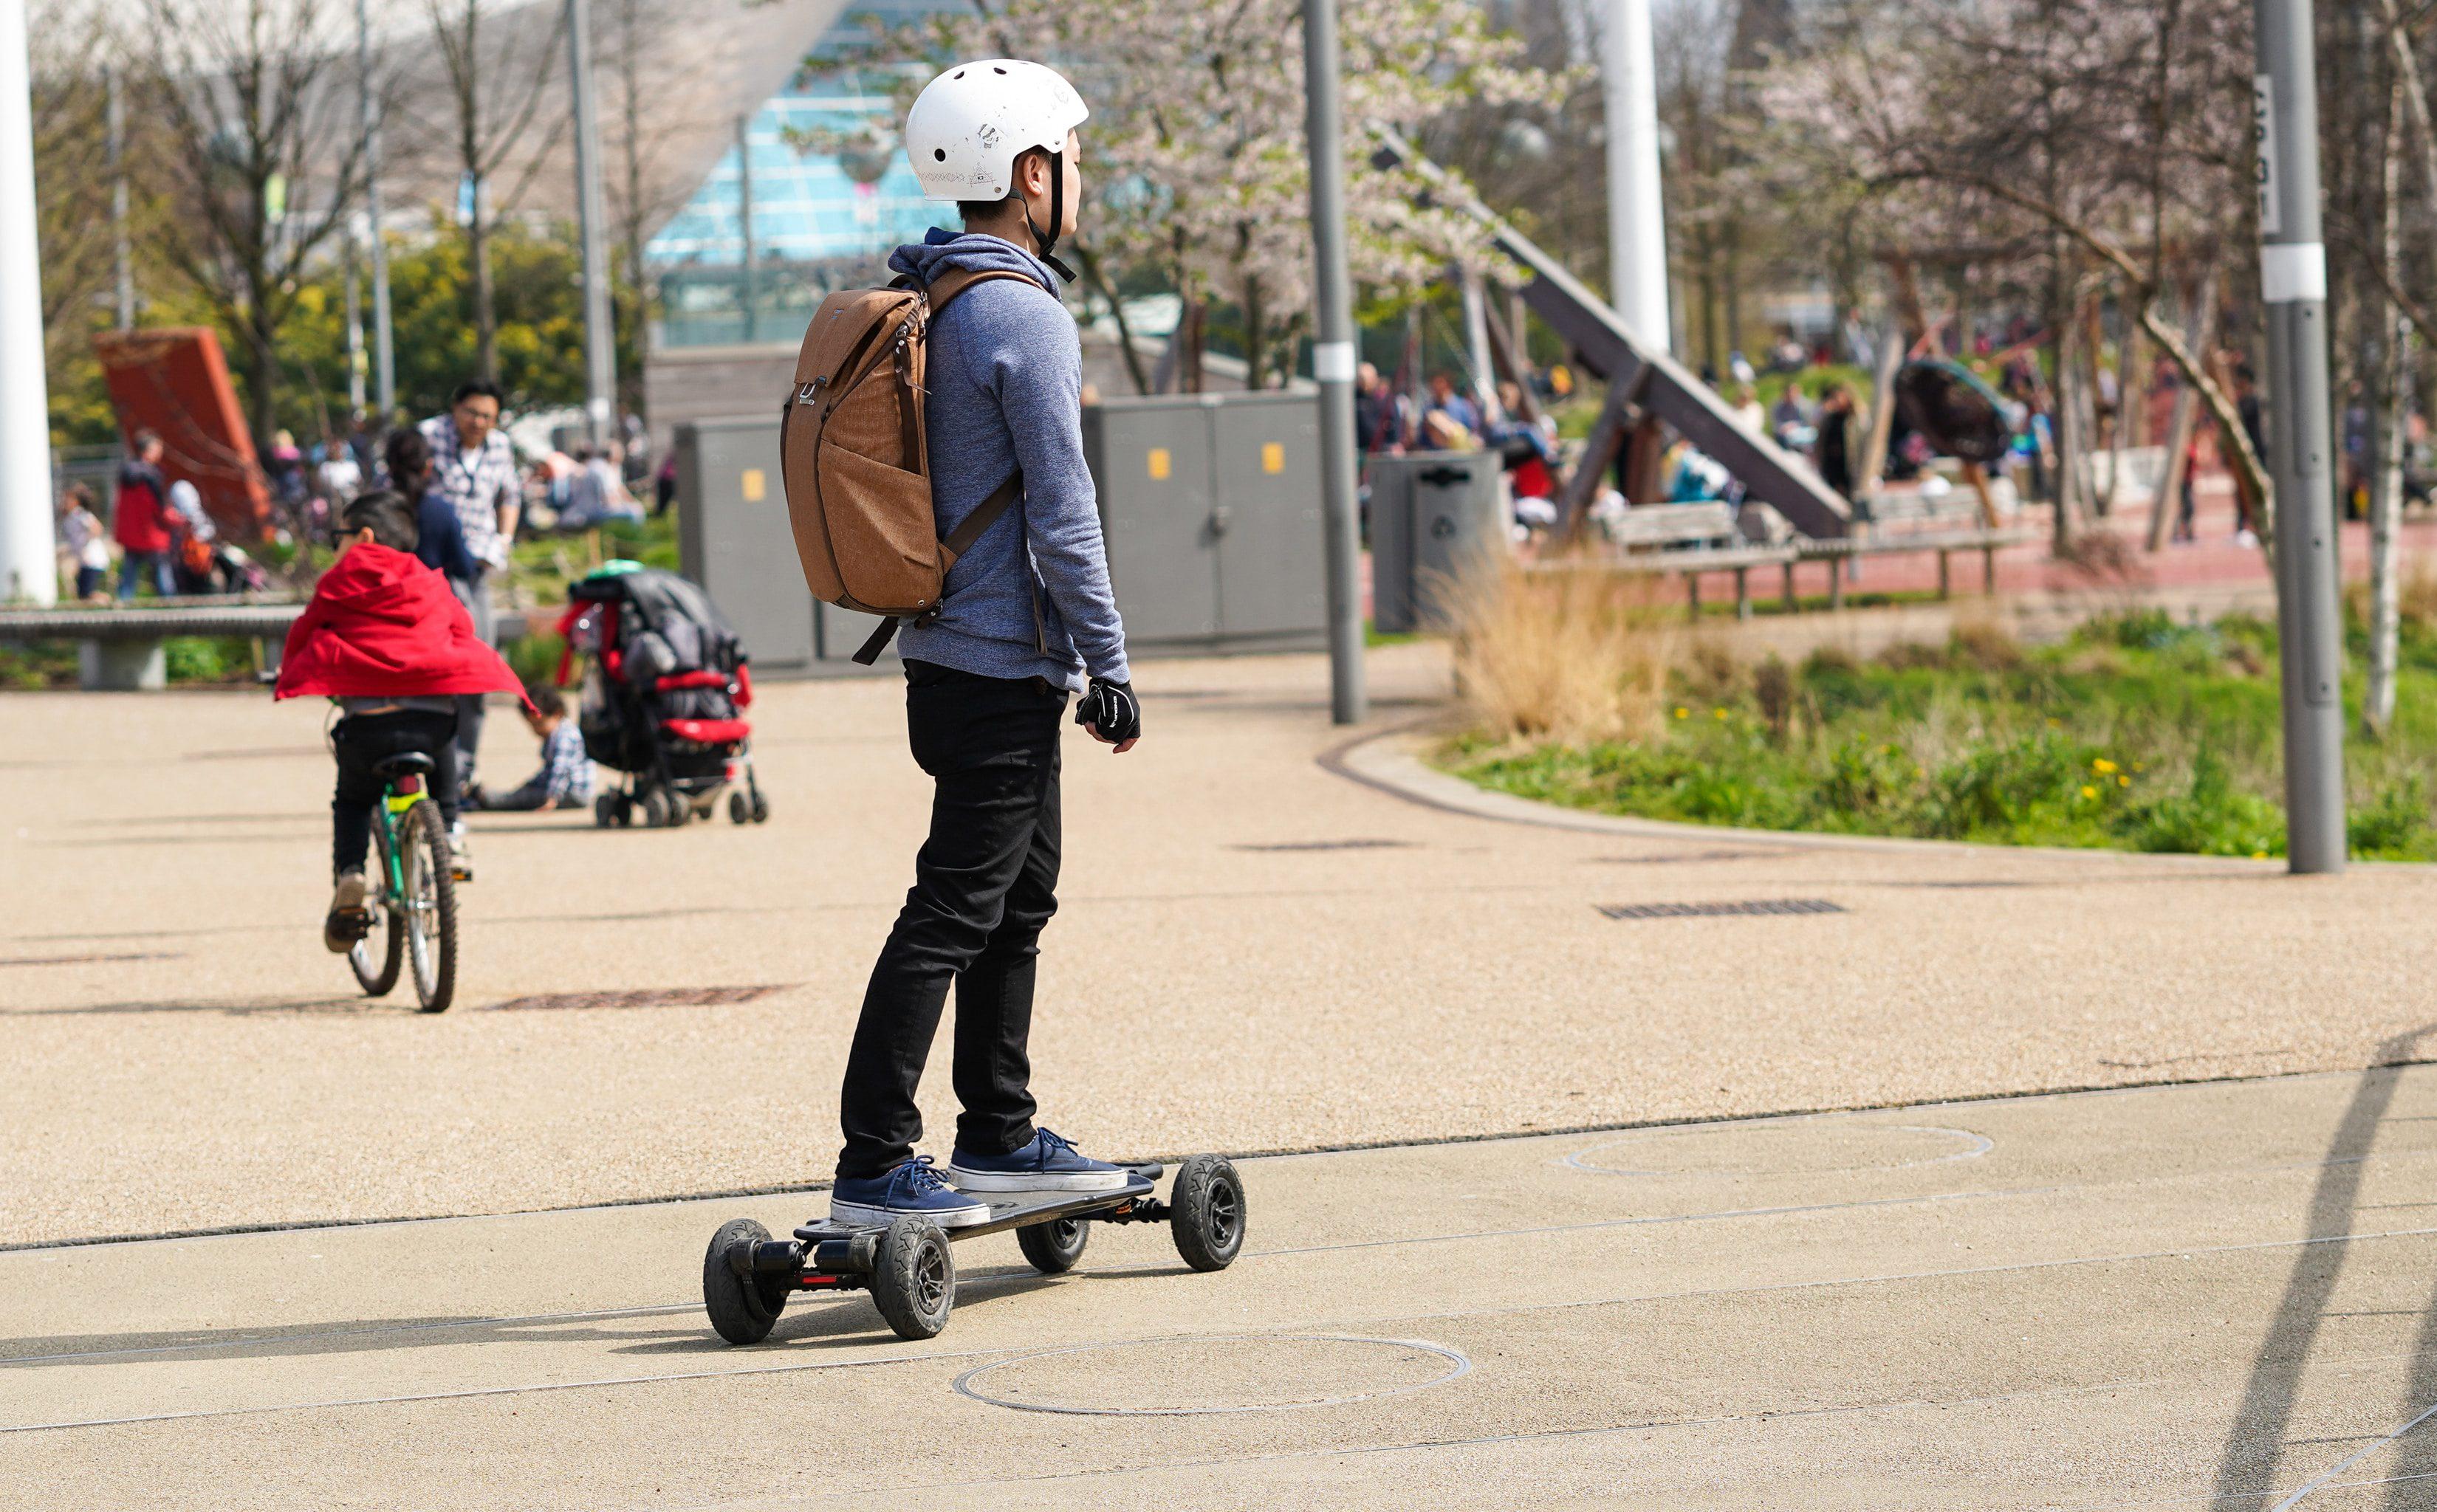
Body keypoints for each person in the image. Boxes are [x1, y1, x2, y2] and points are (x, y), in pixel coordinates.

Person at [823, 57, 1141, 1231]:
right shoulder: (1021, 311)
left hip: (945, 658)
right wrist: (1109, 661)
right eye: (1069, 160)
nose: (1080, 183)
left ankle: (999, 1129)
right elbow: (1064, 508)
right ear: (1029, 173)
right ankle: (875, 1156)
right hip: (1000, 663)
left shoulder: (942, 294)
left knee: (1018, 895)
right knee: (958, 906)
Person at [273, 489, 526, 949]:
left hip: (367, 727)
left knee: (352, 800)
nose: (336, 548)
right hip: (427, 724)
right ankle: (449, 831)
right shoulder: (429, 581)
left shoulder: (339, 581)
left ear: (364, 537)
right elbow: (461, 630)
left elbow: (307, 631)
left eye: (339, 537)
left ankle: (350, 876)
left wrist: (289, 673)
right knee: (446, 737)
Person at [418, 381, 521, 793]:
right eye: (471, 413)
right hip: (433, 572)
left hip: (478, 568)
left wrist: (505, 540)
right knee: (436, 671)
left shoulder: (500, 447)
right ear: (454, 409)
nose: (478, 423)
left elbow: (510, 492)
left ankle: (464, 767)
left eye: (488, 417)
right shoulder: (427, 438)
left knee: (479, 667)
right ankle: (432, 762)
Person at [472, 684, 592, 812]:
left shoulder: (565, 736)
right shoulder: (558, 734)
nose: (536, 730)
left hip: (572, 794)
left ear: (557, 714)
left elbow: (560, 770)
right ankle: (488, 797)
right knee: (525, 793)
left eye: (539, 724)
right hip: (561, 789)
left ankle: (486, 798)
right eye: (532, 725)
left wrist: (552, 798)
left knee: (524, 798)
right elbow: (548, 772)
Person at [112, 430, 175, 599]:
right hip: (151, 531)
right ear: (150, 449)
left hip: (131, 532)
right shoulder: (152, 475)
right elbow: (159, 507)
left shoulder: (125, 472)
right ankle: (171, 606)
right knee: (163, 573)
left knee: (129, 574)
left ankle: (123, 605)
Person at [57, 484, 111, 601]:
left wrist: (85, 542)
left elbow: (96, 528)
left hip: (92, 560)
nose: (65, 502)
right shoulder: (71, 517)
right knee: (83, 594)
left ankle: (108, 601)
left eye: (68, 499)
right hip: (85, 561)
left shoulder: (79, 514)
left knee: (86, 594)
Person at [1422, 371, 1482, 447]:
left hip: (1460, 452)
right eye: (1434, 384)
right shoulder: (1428, 409)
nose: (1437, 387)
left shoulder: (1463, 406)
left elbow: (1473, 431)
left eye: (1440, 383)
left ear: (1448, 385)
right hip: (1436, 454)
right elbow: (1423, 438)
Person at [1354, 362, 1404, 454]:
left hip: (1382, 450)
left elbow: (1395, 426)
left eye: (1368, 378)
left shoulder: (1386, 401)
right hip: (1358, 451)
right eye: (1361, 378)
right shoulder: (1353, 400)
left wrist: (1394, 443)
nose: (1364, 382)